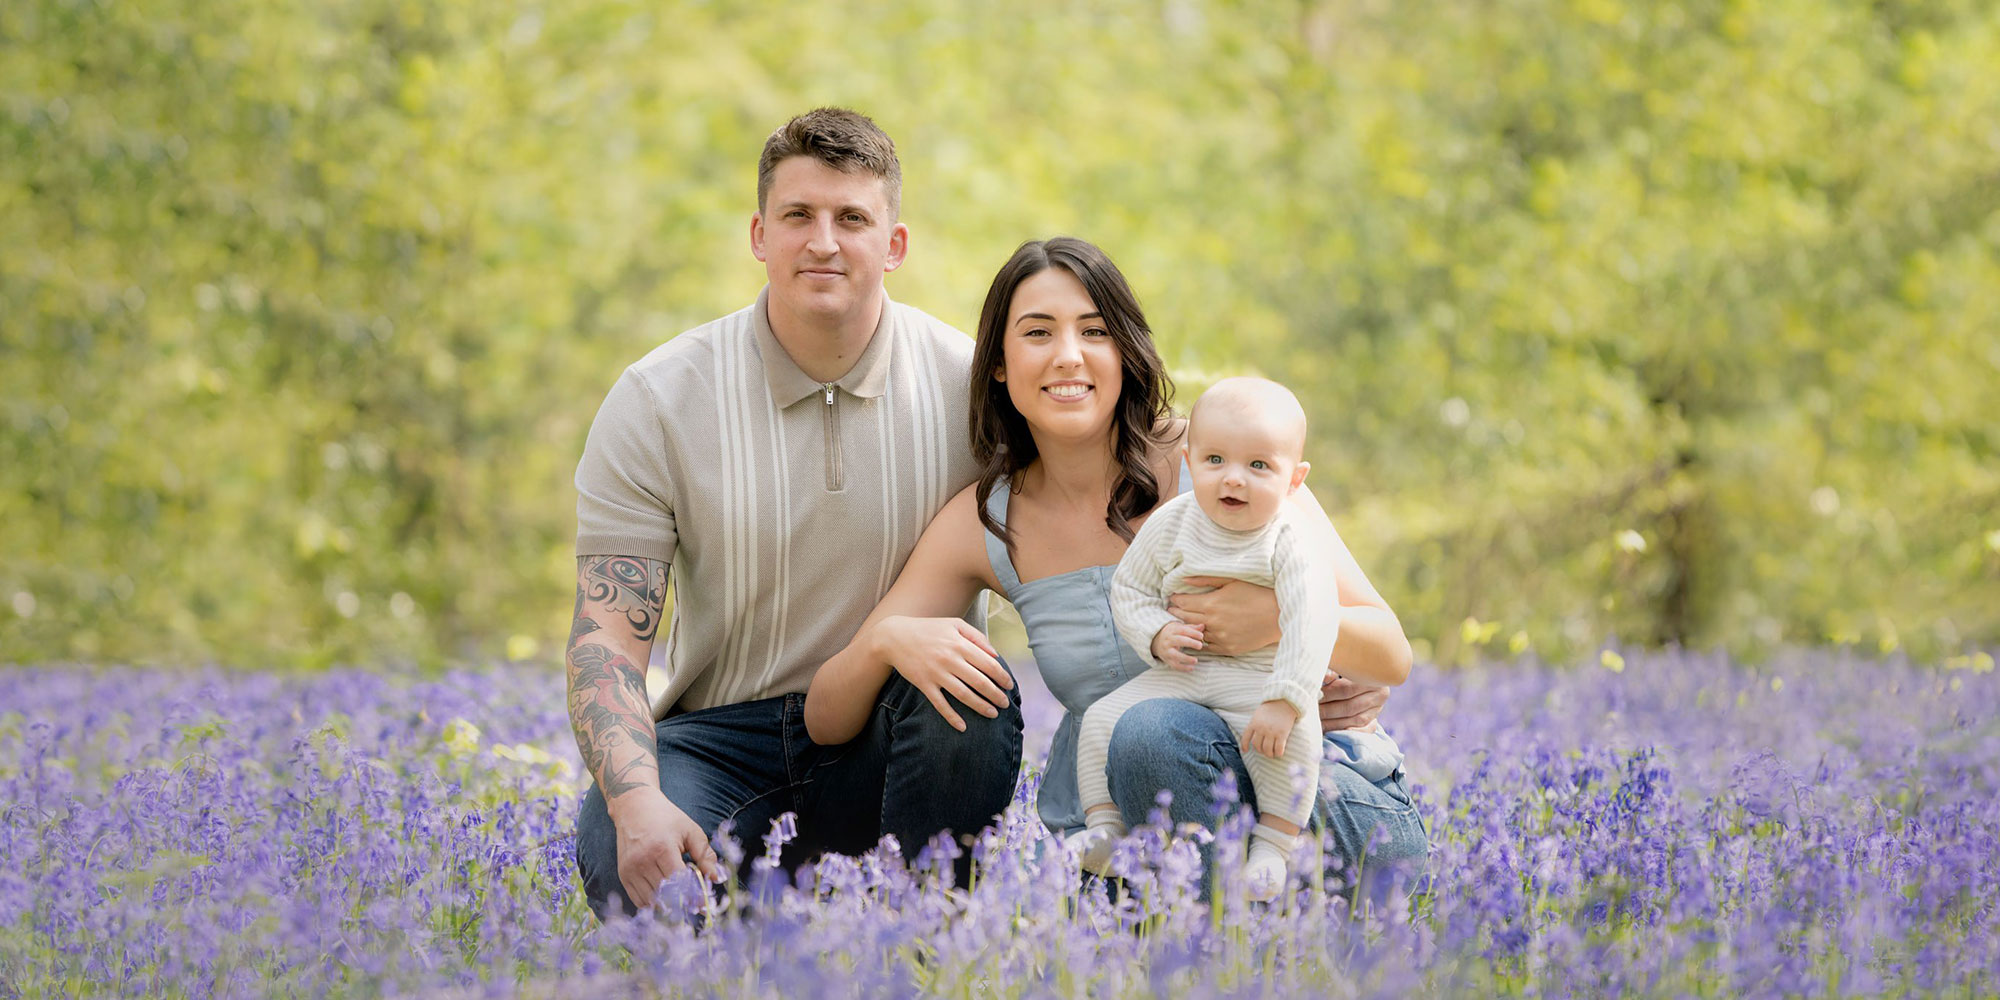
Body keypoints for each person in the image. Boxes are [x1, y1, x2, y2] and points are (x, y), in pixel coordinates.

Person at [804, 237, 1426, 892]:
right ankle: (1218, 940)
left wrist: (1279, 624)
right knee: (1148, 733)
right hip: (1139, 838)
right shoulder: (986, 520)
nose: (1068, 355)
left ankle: (1232, 936)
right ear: (998, 363)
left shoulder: (1218, 462)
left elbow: (1391, 654)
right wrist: (885, 639)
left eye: (1094, 332)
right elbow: (826, 717)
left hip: (1311, 806)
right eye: (1037, 332)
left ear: (1125, 353)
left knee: (1154, 730)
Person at [565, 107, 1023, 920]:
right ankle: (732, 922)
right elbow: (606, 637)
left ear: (895, 245)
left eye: (852, 218)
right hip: (718, 740)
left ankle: (925, 940)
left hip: (897, 728)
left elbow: (1106, 514)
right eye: (798, 216)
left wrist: (1278, 648)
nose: (823, 242)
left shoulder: (974, 392)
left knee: (975, 694)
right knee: (617, 845)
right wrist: (637, 803)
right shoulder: (659, 399)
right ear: (758, 234)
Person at [1076, 376, 1407, 899]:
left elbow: (1312, 619)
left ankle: (1274, 850)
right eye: (1215, 461)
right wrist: (1158, 633)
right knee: (1102, 721)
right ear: (1189, 461)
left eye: (1258, 466)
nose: (1234, 480)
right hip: (1185, 675)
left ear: (1293, 479)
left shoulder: (1288, 535)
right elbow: (1131, 591)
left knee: (1289, 743)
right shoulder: (1171, 523)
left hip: (1260, 679)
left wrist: (1286, 699)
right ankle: (1106, 829)